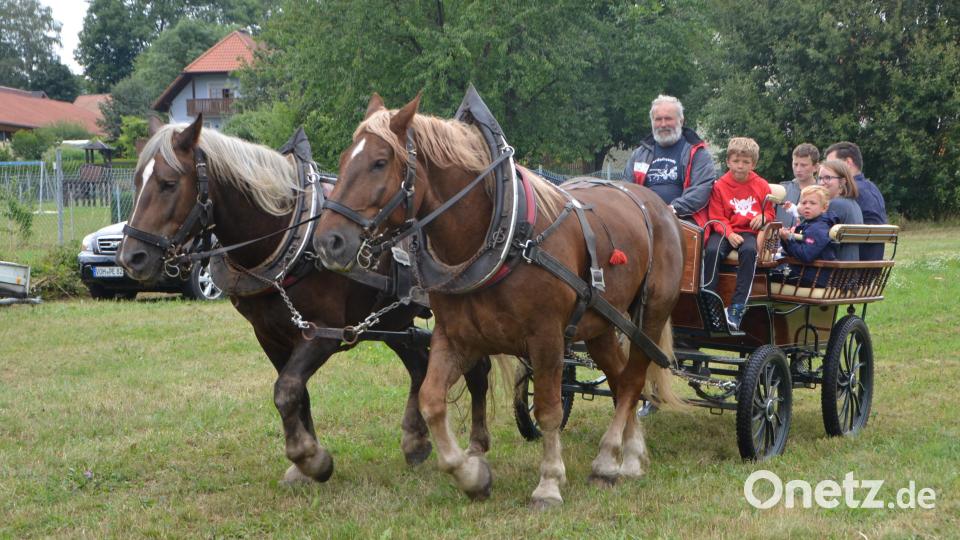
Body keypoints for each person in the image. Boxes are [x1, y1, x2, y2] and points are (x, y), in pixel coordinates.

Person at [702, 137, 775, 331]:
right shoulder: (719, 185)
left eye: (745, 162)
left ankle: (737, 307)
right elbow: (716, 216)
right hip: (725, 230)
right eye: (736, 161)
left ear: (753, 164)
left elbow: (769, 212)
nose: (740, 166)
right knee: (712, 250)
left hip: (749, 232)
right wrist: (729, 233)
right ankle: (708, 301)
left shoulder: (761, 185)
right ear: (728, 161)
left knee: (749, 252)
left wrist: (763, 217)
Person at [622, 94, 717, 223]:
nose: (663, 124)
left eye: (668, 119)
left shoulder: (698, 153)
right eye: (658, 119)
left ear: (681, 121)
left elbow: (701, 190)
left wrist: (672, 209)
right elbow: (627, 189)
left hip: (684, 219)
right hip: (643, 219)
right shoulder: (639, 155)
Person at [824, 141, 888, 260]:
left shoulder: (848, 193)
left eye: (832, 165)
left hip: (851, 262)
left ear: (848, 163)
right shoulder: (872, 189)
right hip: (874, 261)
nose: (827, 170)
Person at [777, 185, 838, 287]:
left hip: (812, 278)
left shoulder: (818, 228)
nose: (807, 206)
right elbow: (794, 252)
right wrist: (785, 239)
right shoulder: (810, 224)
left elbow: (806, 255)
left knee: (765, 275)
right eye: (803, 203)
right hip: (806, 274)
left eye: (812, 203)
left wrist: (789, 239)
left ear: (824, 207)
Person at [816, 159, 864, 261]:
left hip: (834, 267)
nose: (821, 183)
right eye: (820, 178)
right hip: (850, 267)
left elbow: (815, 238)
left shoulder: (835, 205)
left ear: (842, 182)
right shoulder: (854, 205)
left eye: (827, 178)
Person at [776, 143, 820, 229]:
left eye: (803, 165)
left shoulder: (821, 193)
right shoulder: (781, 189)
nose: (798, 169)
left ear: (815, 167)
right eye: (795, 164)